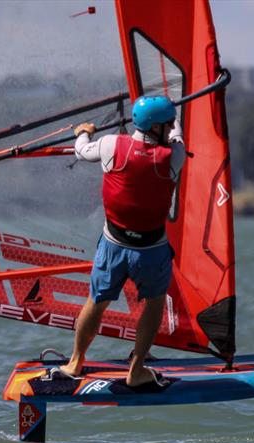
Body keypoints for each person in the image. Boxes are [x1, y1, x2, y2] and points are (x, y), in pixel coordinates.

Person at [58, 95, 185, 387]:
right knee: (154, 304)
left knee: (97, 300)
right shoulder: (173, 157)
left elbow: (81, 152)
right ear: (156, 127)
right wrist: (175, 122)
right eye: (166, 124)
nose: (170, 128)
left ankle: (75, 361)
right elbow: (177, 137)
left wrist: (83, 132)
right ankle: (137, 369)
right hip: (150, 250)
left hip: (113, 245)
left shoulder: (111, 144)